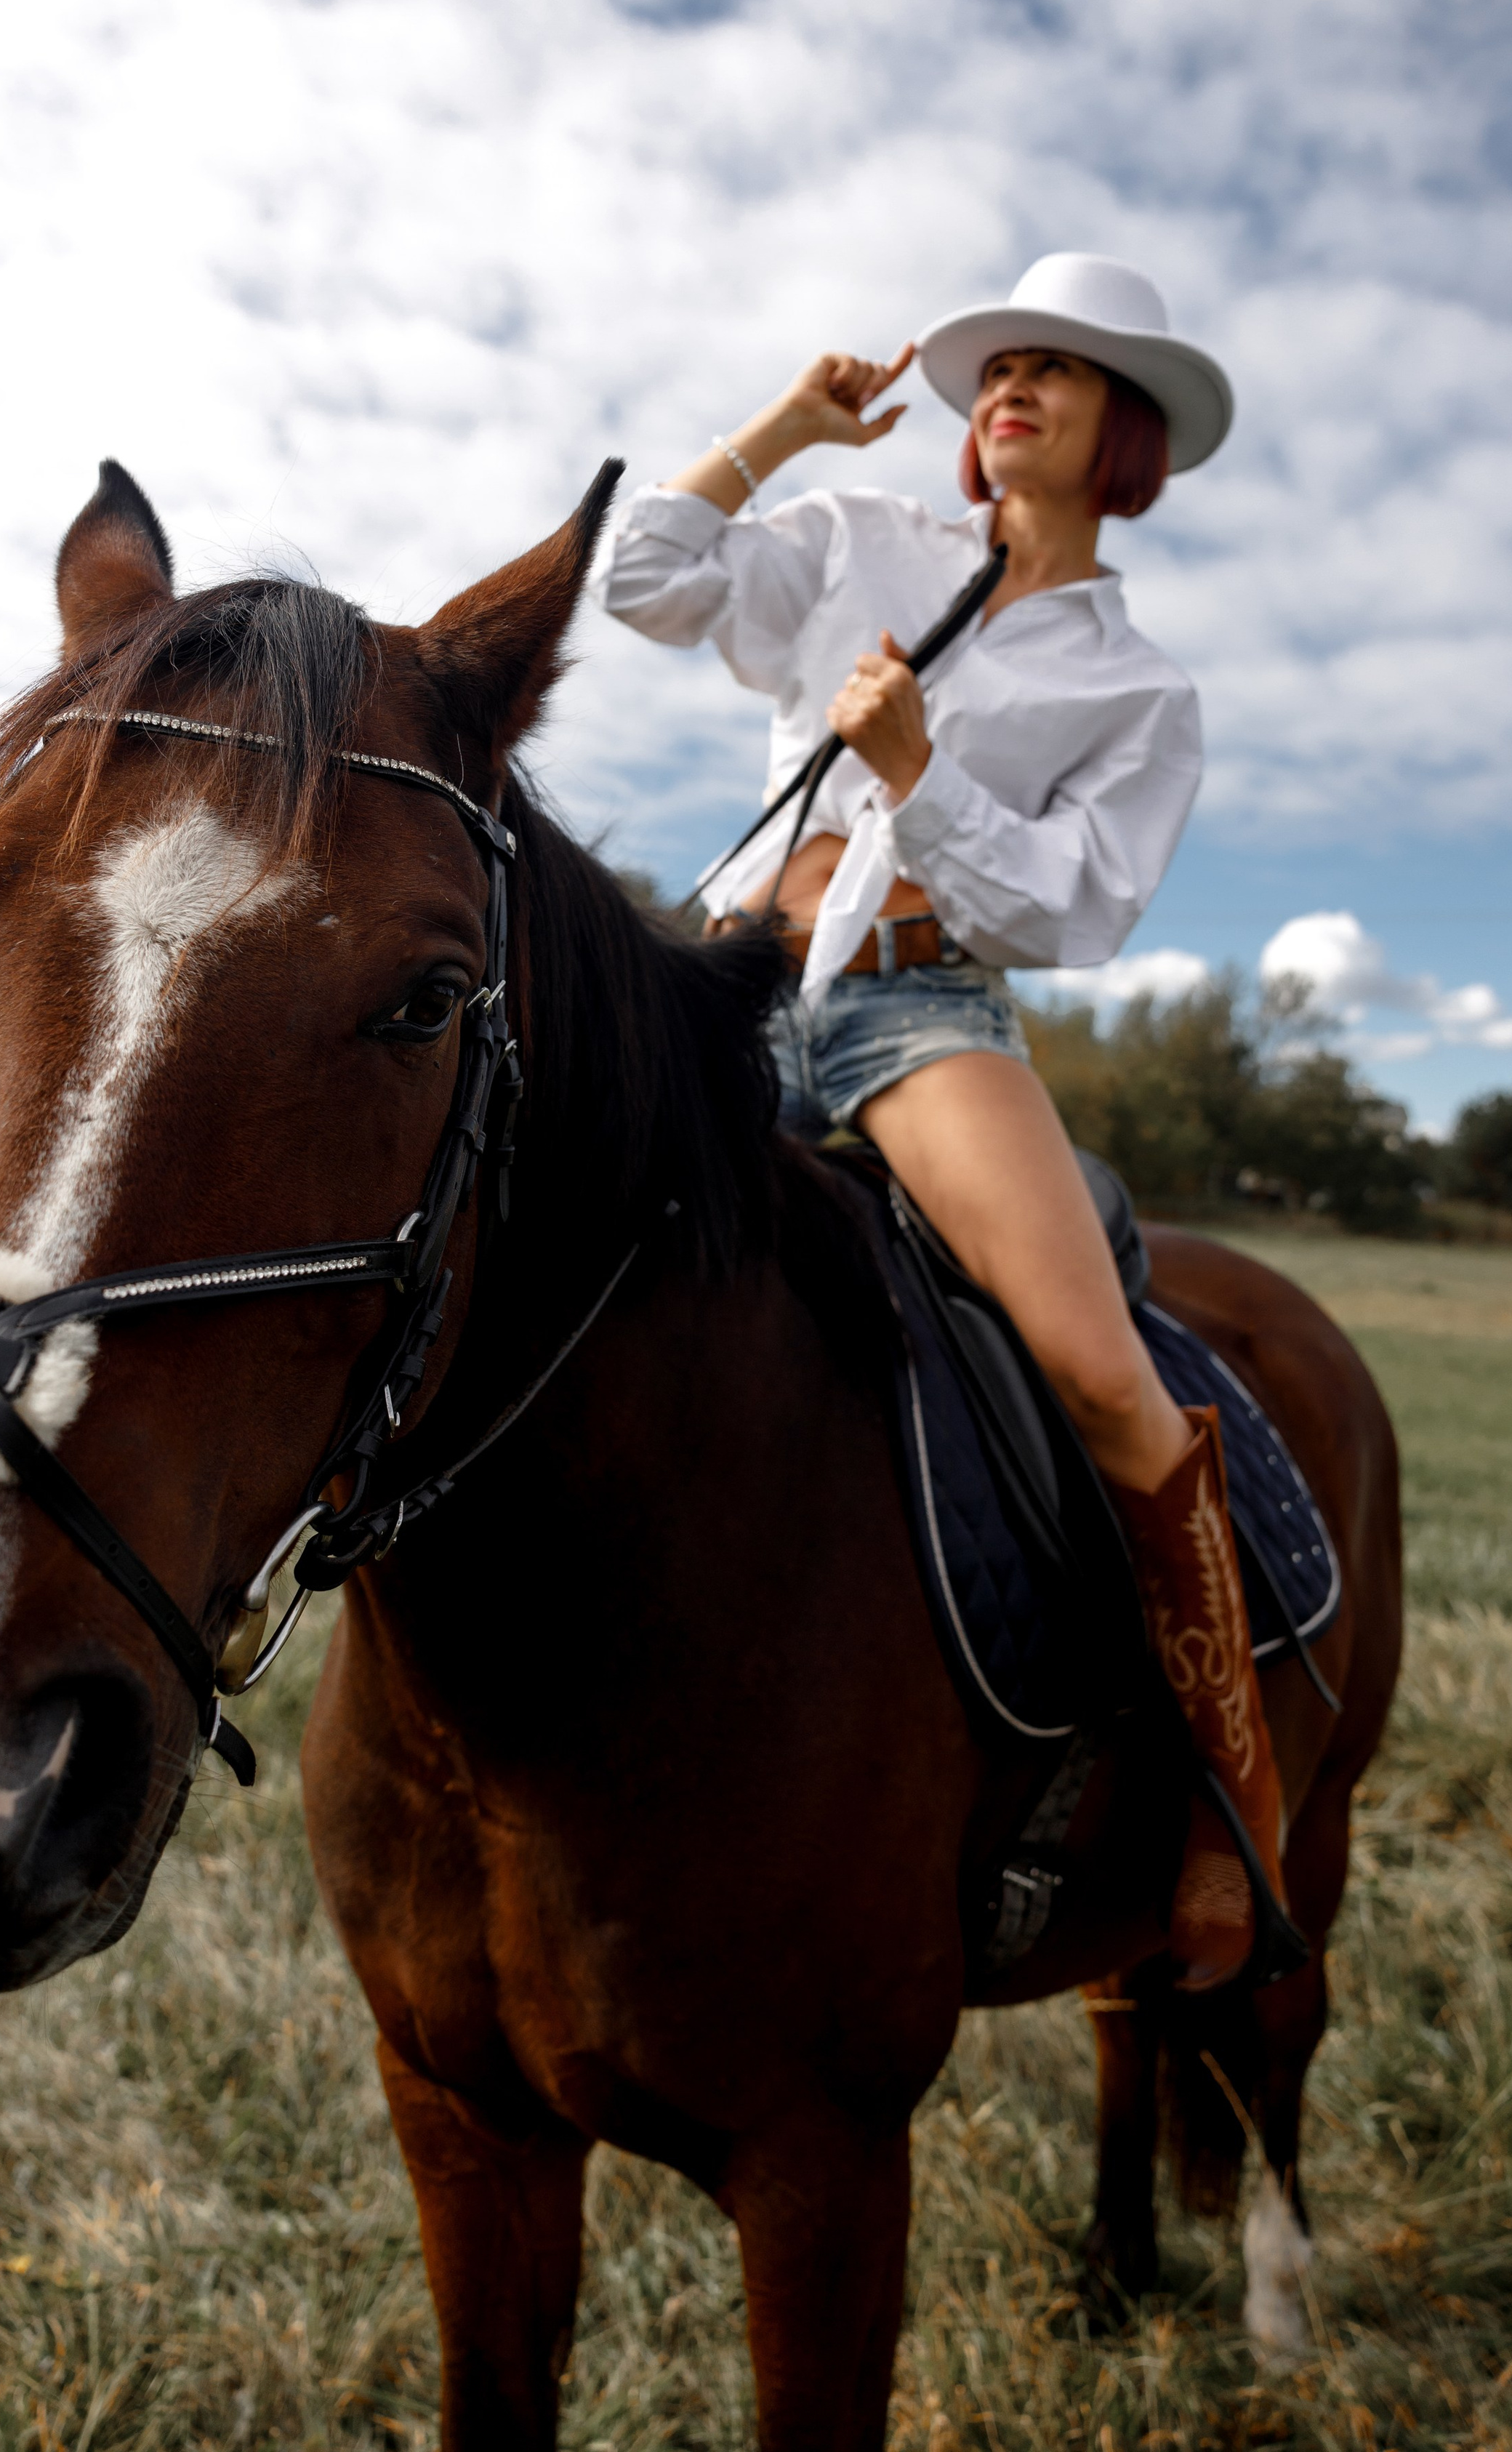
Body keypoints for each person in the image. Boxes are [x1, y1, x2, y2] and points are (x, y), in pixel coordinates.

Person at [594, 252, 1283, 1991]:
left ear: (1125, 430)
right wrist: (784, 429)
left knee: (1101, 1372)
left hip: (917, 1011)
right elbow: (642, 579)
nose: (1010, 387)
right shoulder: (858, 539)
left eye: (1058, 369)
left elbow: (1074, 908)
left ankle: (1230, 1799)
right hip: (732, 987)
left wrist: (917, 773)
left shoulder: (1139, 693)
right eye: (999, 366)